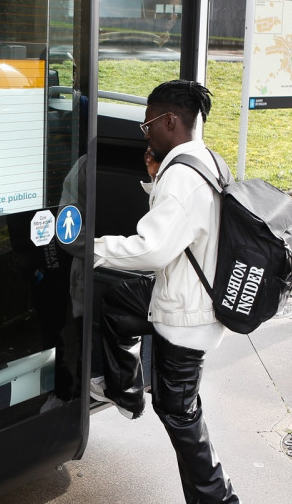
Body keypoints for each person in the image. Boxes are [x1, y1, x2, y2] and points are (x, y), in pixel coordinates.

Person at [93, 79, 239, 503]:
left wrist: (92, 249)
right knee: (119, 303)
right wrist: (154, 181)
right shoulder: (206, 160)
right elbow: (182, 222)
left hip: (186, 316)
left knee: (179, 414)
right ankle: (125, 390)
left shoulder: (181, 177)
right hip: (194, 294)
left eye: (148, 124)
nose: (146, 133)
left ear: (170, 121)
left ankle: (221, 500)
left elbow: (153, 249)